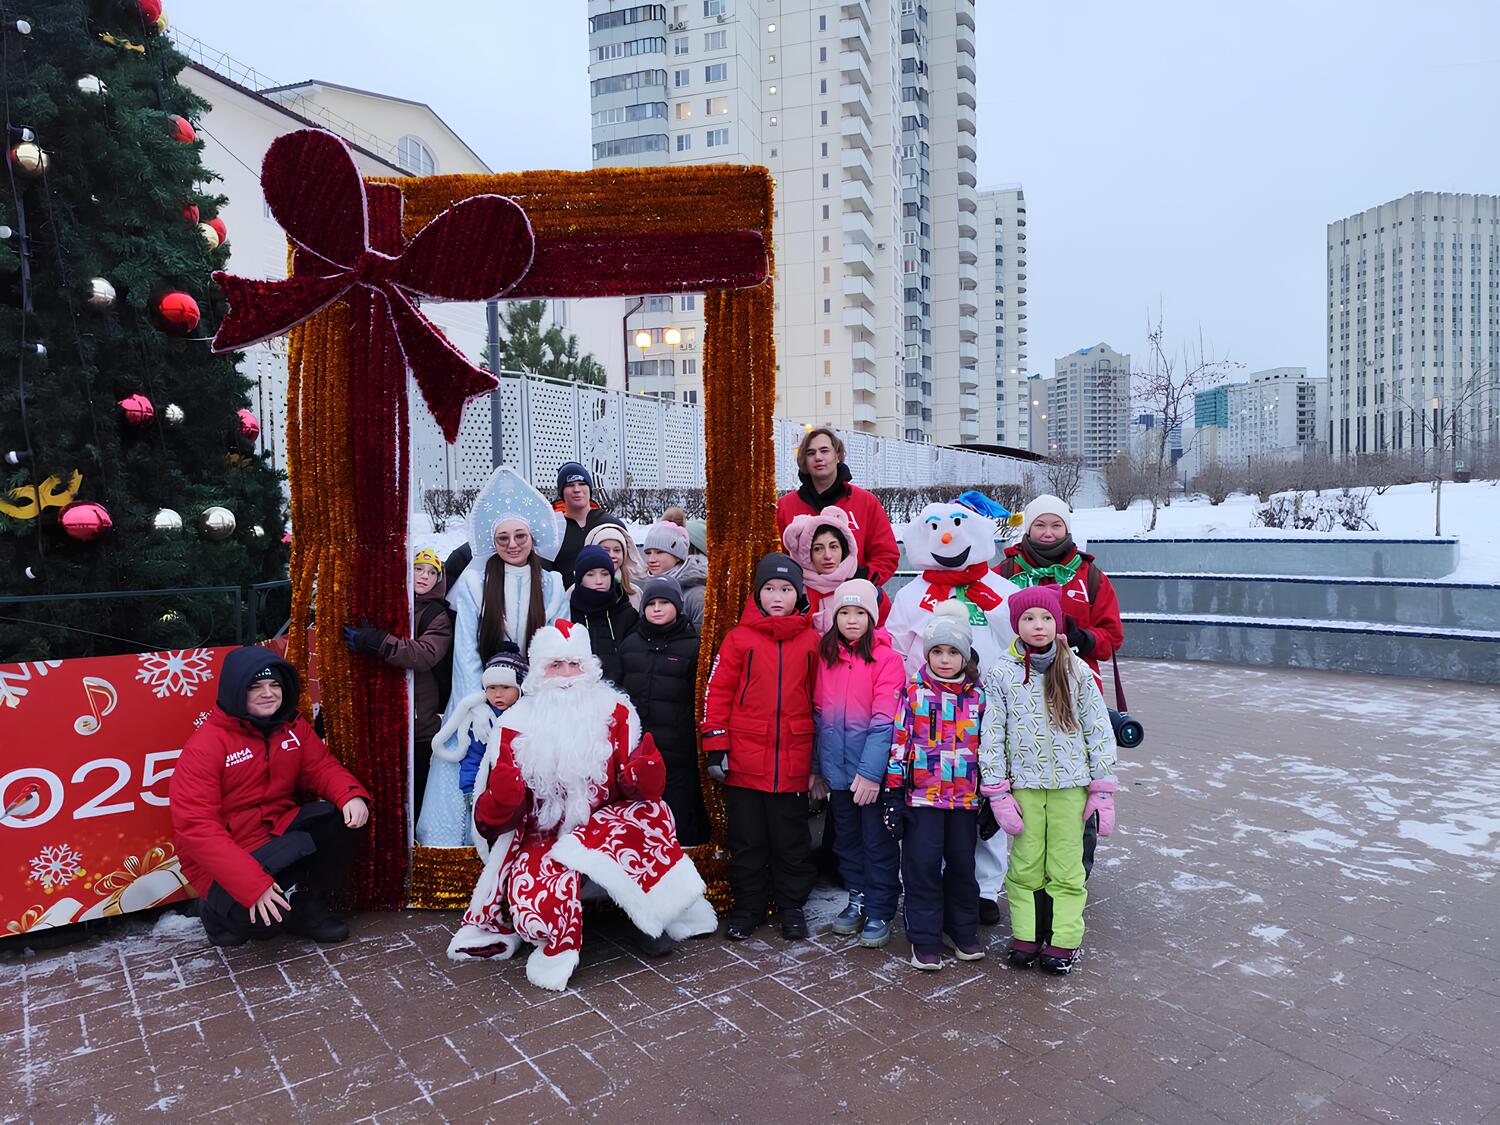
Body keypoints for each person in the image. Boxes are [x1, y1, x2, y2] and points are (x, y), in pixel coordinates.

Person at [446, 620, 718, 990]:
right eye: (555, 666)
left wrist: (644, 776)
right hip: (542, 836)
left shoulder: (616, 711)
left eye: (574, 665)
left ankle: (649, 916)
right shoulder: (514, 724)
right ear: (540, 673)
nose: (566, 676)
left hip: (605, 825)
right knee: (538, 909)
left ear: (588, 668)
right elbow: (489, 822)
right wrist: (502, 800)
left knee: (653, 816)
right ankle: (559, 940)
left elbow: (636, 790)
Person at [170, 646, 370, 947]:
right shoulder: (205, 747)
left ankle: (308, 906)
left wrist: (349, 795)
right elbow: (198, 829)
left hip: (276, 830)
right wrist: (253, 887)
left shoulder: (291, 726)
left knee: (343, 818)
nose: (268, 693)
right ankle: (215, 913)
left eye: (274, 684)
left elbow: (320, 766)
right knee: (265, 926)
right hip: (229, 854)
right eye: (256, 687)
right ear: (235, 691)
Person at [422, 467, 565, 847]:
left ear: (532, 537)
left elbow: (555, 645)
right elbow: (466, 646)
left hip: (533, 698)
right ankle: (458, 846)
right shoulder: (475, 582)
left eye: (519, 536)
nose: (512, 544)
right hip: (480, 696)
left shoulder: (551, 585)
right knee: (467, 765)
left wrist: (534, 699)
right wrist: (477, 703)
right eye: (503, 537)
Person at [980, 585, 1117, 974]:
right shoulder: (1003, 673)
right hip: (1024, 787)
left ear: (1057, 621)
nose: (1037, 625)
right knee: (1024, 866)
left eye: (1045, 617)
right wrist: (997, 791)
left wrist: (1102, 787)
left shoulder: (1076, 670)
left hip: (1070, 788)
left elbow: (1098, 730)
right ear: (1015, 625)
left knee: (1066, 867)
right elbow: (992, 734)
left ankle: (1064, 940)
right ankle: (1025, 935)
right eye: (1028, 618)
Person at [701, 553, 820, 942]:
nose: (777, 596)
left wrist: (819, 760)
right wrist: (716, 744)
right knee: (747, 841)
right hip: (745, 762)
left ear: (798, 594)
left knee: (791, 842)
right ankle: (748, 906)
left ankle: (791, 906)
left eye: (786, 589)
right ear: (757, 593)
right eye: (769, 588)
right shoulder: (740, 639)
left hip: (793, 760)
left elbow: (823, 700)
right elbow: (716, 692)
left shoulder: (811, 641)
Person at [884, 602, 987, 970]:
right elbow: (899, 742)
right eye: (937, 652)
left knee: (962, 867)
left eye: (953, 652)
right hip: (922, 798)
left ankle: (961, 930)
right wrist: (894, 794)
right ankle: (924, 938)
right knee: (922, 866)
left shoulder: (979, 696)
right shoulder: (913, 693)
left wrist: (990, 796)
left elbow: (991, 748)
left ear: (966, 655)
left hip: (964, 799)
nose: (945, 659)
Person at [812, 579, 905, 949]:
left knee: (877, 842)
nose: (852, 620)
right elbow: (819, 715)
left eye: (860, 613)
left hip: (871, 776)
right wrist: (818, 769)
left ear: (873, 617)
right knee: (847, 841)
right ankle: (857, 896)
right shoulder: (827, 656)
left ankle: (881, 907)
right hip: (837, 772)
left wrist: (870, 773)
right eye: (845, 612)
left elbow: (885, 722)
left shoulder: (887, 659)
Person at [343, 547, 453, 822]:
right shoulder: (390, 603)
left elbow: (425, 654)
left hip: (420, 722)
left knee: (416, 791)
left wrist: (379, 642)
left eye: (432, 572)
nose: (424, 576)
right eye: (418, 568)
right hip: (383, 715)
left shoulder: (437, 615)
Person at [994, 495, 1124, 687]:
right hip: (1016, 686)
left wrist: (1084, 639)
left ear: (1066, 528)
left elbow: (1112, 637)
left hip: (1076, 686)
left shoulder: (1090, 576)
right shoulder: (1004, 573)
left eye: (1056, 525)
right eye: (1039, 525)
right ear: (1028, 528)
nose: (1048, 533)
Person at [617, 576, 707, 846]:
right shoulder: (630, 645)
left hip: (678, 752)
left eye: (664, 603)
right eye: (651, 603)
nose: (656, 608)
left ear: (677, 607)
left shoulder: (692, 647)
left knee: (676, 817)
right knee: (641, 821)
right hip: (638, 750)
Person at [775, 426, 900, 586]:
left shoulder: (866, 502)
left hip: (853, 602)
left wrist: (859, 579)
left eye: (824, 451)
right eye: (811, 453)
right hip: (803, 604)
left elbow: (886, 555)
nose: (818, 457)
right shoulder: (785, 506)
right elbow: (777, 558)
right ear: (804, 461)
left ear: (838, 456)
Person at [432, 647, 527, 830]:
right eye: (491, 688)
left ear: (519, 688)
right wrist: (469, 787)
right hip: (488, 789)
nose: (498, 694)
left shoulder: (526, 717)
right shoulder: (483, 722)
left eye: (505, 688)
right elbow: (473, 756)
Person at [781, 506, 890, 636]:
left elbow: (883, 634)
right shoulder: (795, 592)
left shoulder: (865, 587)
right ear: (807, 555)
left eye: (833, 547)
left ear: (844, 549)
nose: (827, 555)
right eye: (818, 549)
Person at [569, 545, 639, 687]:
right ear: (580, 578)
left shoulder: (627, 614)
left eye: (605, 574)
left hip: (620, 696)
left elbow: (637, 664)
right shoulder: (567, 612)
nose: (599, 581)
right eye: (590, 574)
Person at [550, 461, 612, 578]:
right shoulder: (554, 530)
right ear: (561, 491)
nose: (577, 489)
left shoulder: (609, 524)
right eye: (569, 485)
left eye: (582, 483)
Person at [642, 520, 707, 628]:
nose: (651, 559)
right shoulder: (649, 586)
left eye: (659, 552)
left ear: (678, 556)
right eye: (648, 553)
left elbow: (702, 640)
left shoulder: (696, 595)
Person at [585, 520, 647, 609]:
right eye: (605, 550)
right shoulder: (576, 592)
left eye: (617, 550)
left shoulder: (635, 593)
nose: (612, 555)